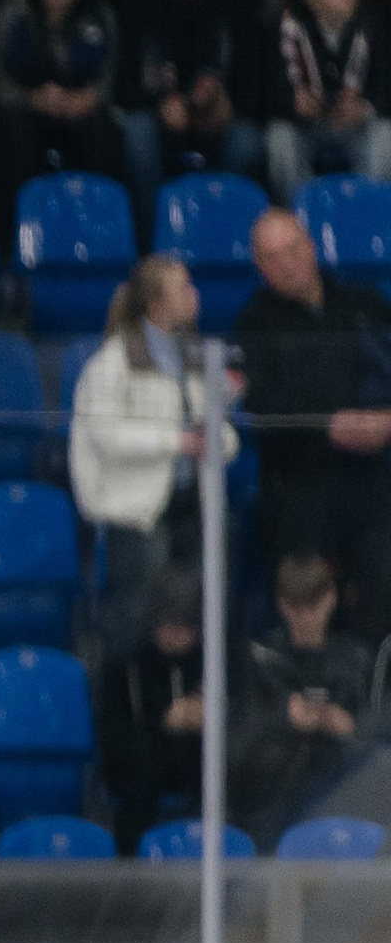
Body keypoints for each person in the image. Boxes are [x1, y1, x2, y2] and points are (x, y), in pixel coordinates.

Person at [235, 204, 391, 617]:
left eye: (292, 248)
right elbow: (261, 405)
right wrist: (328, 425)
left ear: (311, 246)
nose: (287, 263)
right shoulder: (253, 324)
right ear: (260, 266)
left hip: (374, 478)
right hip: (301, 485)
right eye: (273, 256)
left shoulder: (365, 303)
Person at [70, 255, 232, 629]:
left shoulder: (194, 356)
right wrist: (175, 442)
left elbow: (215, 429)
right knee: (139, 616)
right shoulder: (112, 364)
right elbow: (105, 437)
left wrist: (220, 441)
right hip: (137, 513)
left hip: (191, 505)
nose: (195, 295)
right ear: (157, 306)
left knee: (204, 609)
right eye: (183, 288)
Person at [233, 553, 378, 842]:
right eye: (295, 607)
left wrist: (351, 727)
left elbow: (380, 745)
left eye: (313, 606)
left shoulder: (359, 662)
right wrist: (283, 719)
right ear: (281, 605)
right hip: (272, 810)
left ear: (331, 598)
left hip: (344, 809)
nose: (305, 618)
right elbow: (235, 748)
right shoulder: (258, 661)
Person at [117, 0, 263, 208]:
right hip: (158, 117)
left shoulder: (235, 11)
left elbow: (256, 85)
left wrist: (227, 106)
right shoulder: (142, 8)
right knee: (137, 134)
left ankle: (225, 227)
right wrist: (159, 106)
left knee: (247, 142)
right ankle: (153, 238)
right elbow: (123, 86)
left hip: (217, 119)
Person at [0, 0, 127, 214]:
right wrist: (33, 98)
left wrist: (90, 98)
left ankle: (98, 219)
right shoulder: (11, 15)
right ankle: (19, 223)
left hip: (83, 113)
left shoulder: (102, 16)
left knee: (103, 130)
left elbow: (109, 81)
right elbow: (0, 87)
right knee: (12, 130)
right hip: (29, 110)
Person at [97, 575, 210, 853]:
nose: (177, 635)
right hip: (140, 764)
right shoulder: (125, 665)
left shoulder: (213, 660)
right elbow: (112, 737)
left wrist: (210, 721)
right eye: (170, 625)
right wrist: (165, 724)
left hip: (195, 760)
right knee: (143, 780)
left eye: (186, 627)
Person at [270, 0, 391, 197]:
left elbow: (385, 84)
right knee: (279, 137)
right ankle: (299, 216)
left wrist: (363, 107)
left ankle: (368, 212)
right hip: (306, 126)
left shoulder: (374, 23)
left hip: (354, 126)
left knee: (385, 134)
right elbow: (264, 91)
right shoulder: (285, 27)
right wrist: (295, 103)